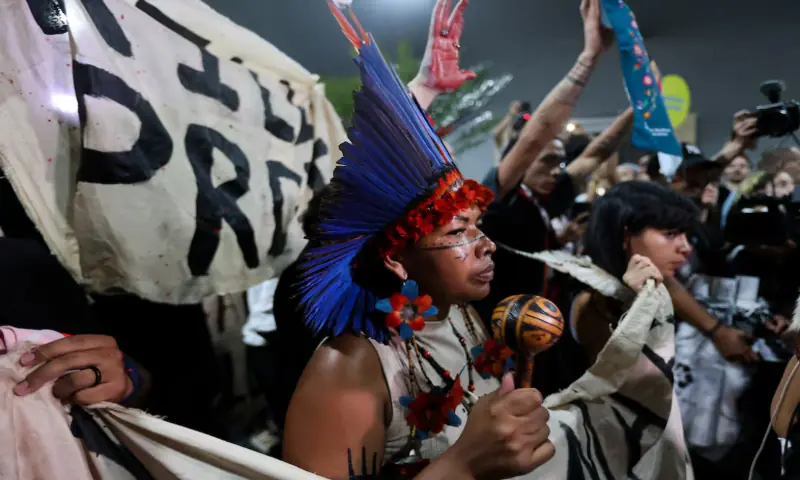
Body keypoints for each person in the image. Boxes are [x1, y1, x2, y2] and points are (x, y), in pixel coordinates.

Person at [283, 1, 553, 477]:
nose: (486, 244)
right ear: (396, 261)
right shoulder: (351, 368)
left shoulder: (461, 314)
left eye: (478, 226)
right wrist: (464, 463)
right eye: (457, 232)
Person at [572, 181, 697, 362]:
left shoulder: (654, 283)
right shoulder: (591, 302)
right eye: (670, 234)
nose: (686, 247)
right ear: (626, 235)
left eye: (684, 234)